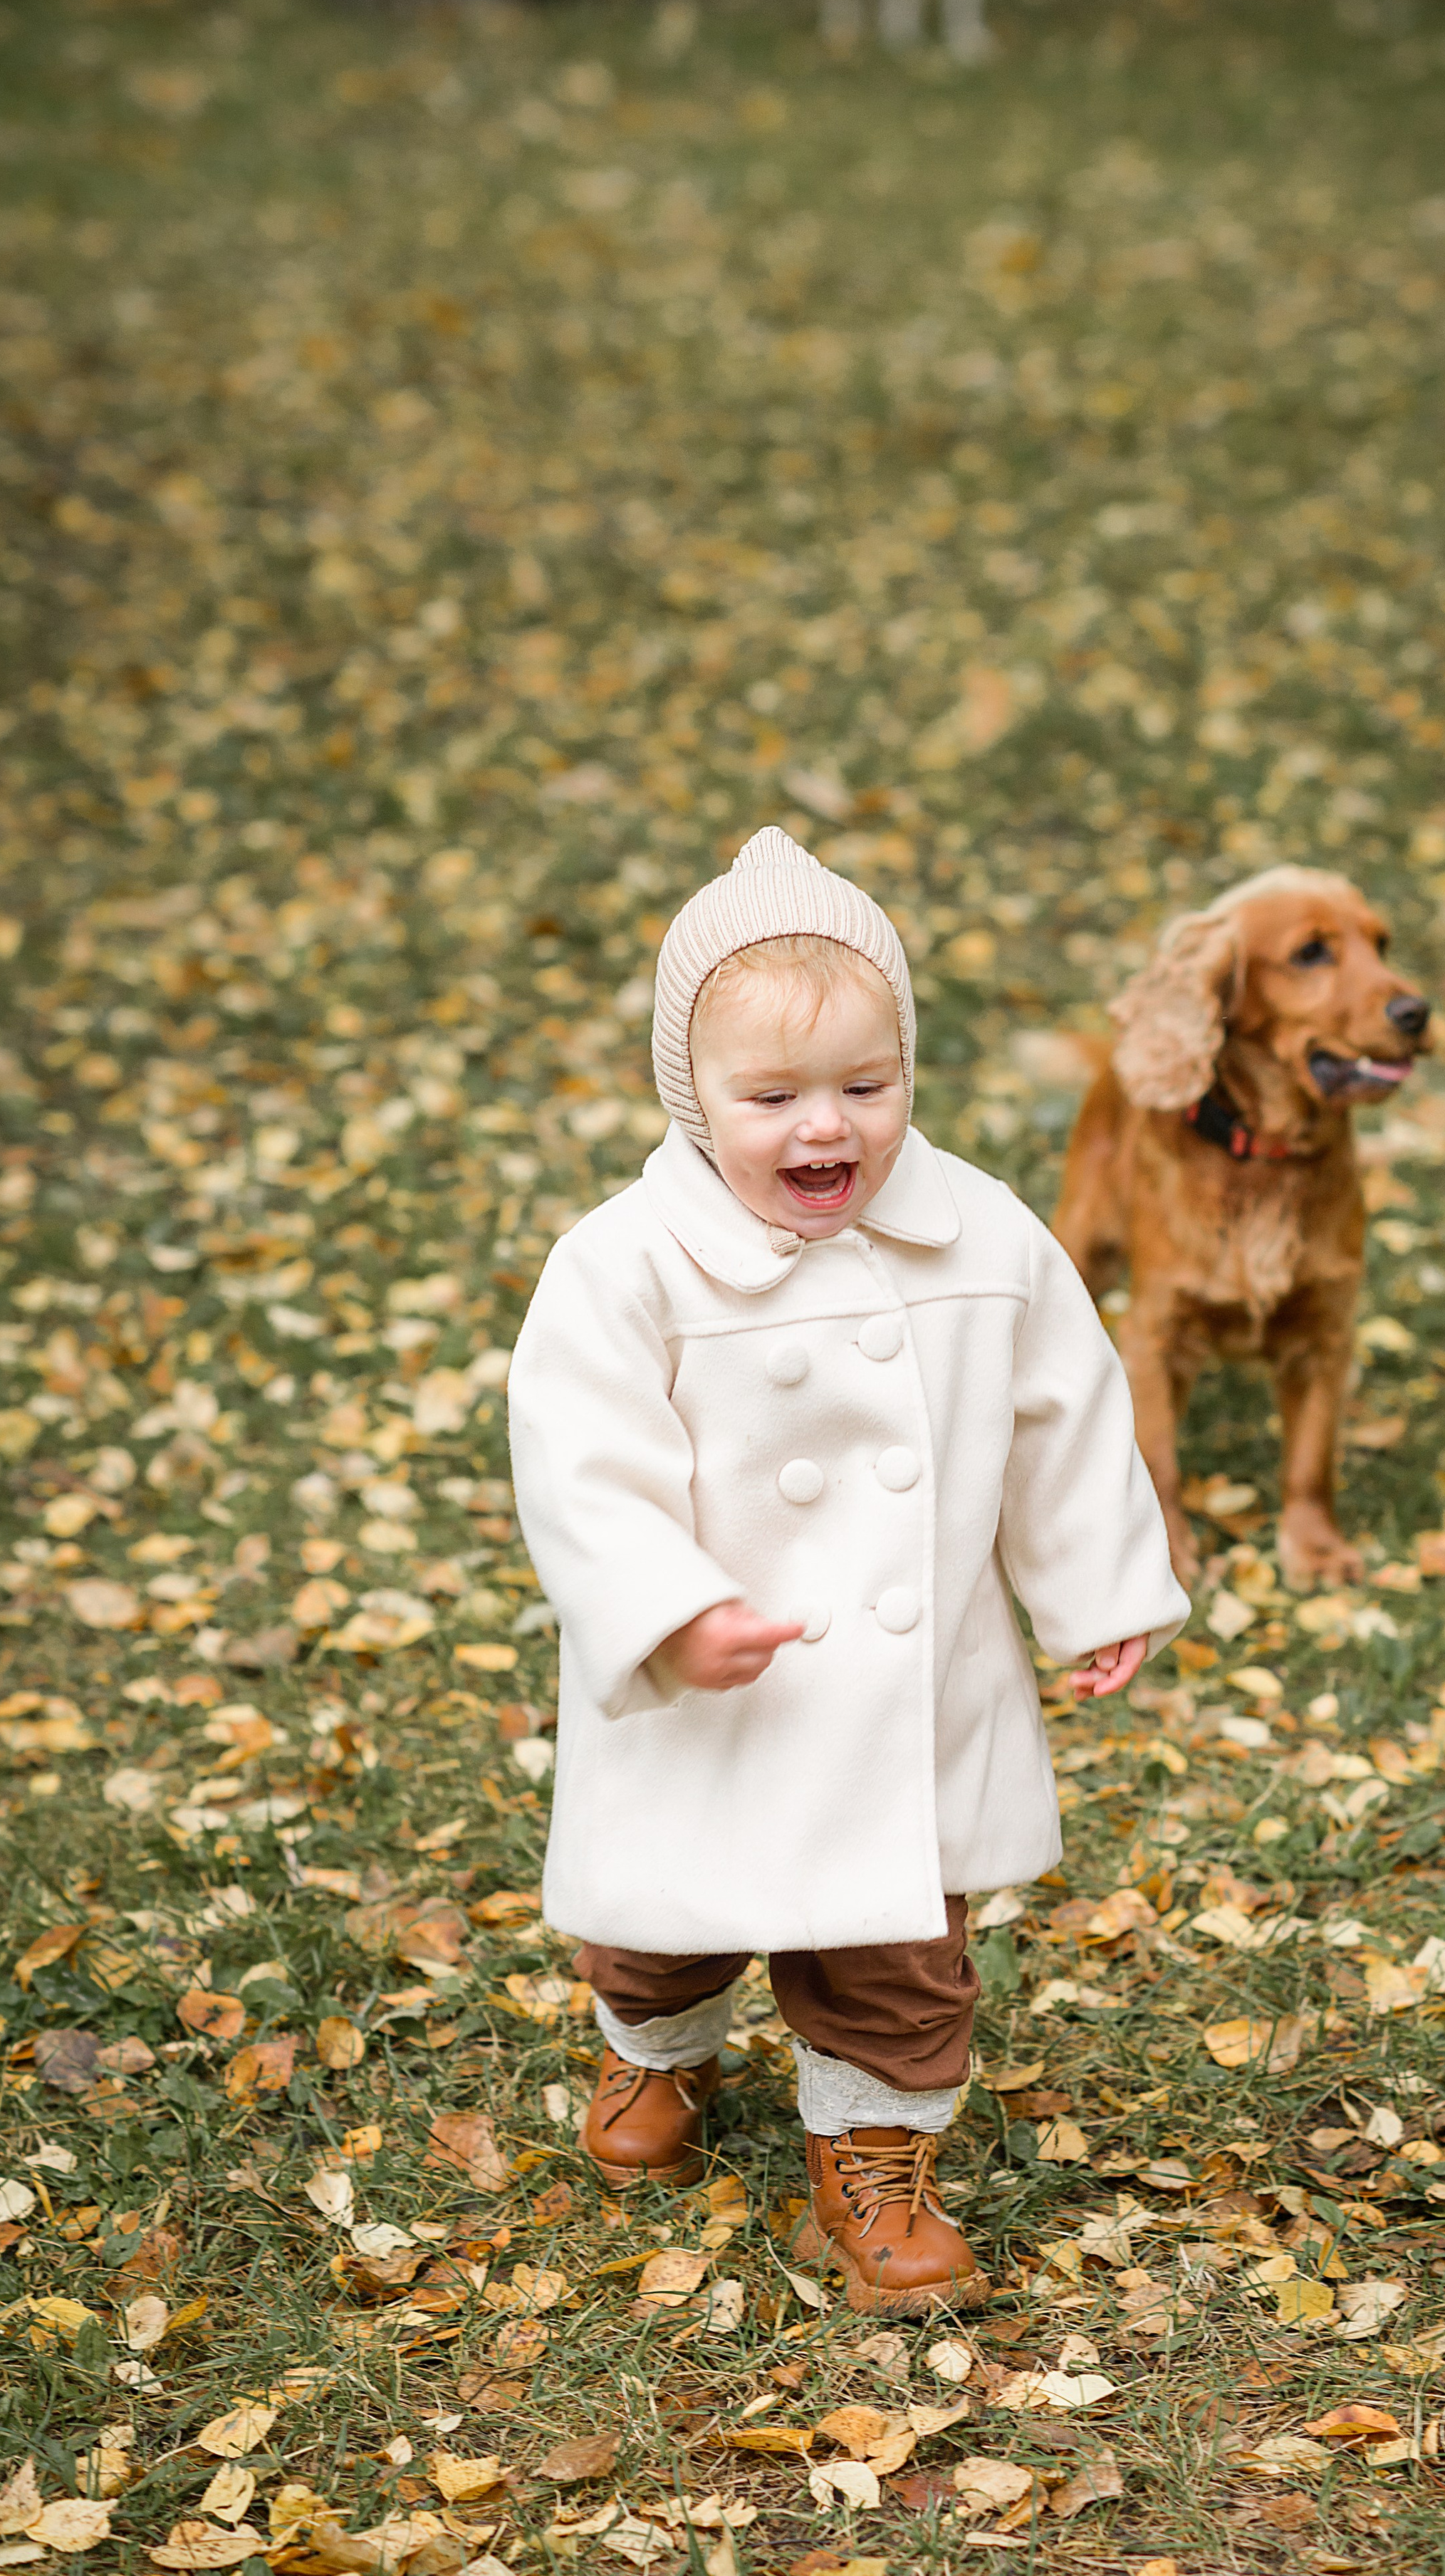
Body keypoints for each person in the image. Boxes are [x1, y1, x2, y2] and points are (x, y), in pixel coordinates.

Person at [508, 827, 1187, 2314]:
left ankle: (873, 2165)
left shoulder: (980, 1236)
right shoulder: (625, 1265)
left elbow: (1062, 1411)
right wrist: (668, 1612)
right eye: (773, 1098)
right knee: (665, 1920)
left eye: (866, 1088)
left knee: (900, 1949)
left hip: (906, 1684)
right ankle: (652, 2053)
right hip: (715, 1683)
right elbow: (583, 1461)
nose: (827, 1126)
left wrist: (1098, 1587)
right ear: (692, 1097)